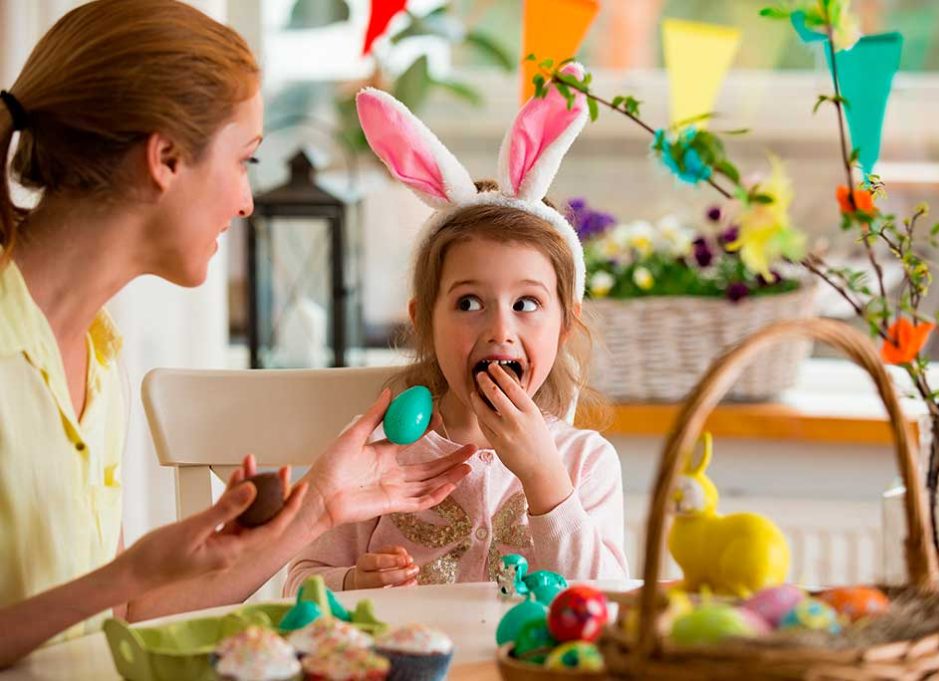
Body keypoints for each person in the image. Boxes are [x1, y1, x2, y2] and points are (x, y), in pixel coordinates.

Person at [0, 0, 473, 667]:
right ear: (164, 157)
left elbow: (117, 616)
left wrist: (320, 508)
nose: (248, 200)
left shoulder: (95, 350)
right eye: (245, 159)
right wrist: (128, 573)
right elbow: (118, 593)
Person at [285, 67, 628, 593]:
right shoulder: (377, 454)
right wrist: (352, 582)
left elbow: (606, 604)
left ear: (565, 327)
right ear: (423, 319)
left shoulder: (585, 463)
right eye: (469, 302)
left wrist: (544, 478)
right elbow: (300, 585)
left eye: (527, 303)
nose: (499, 329)